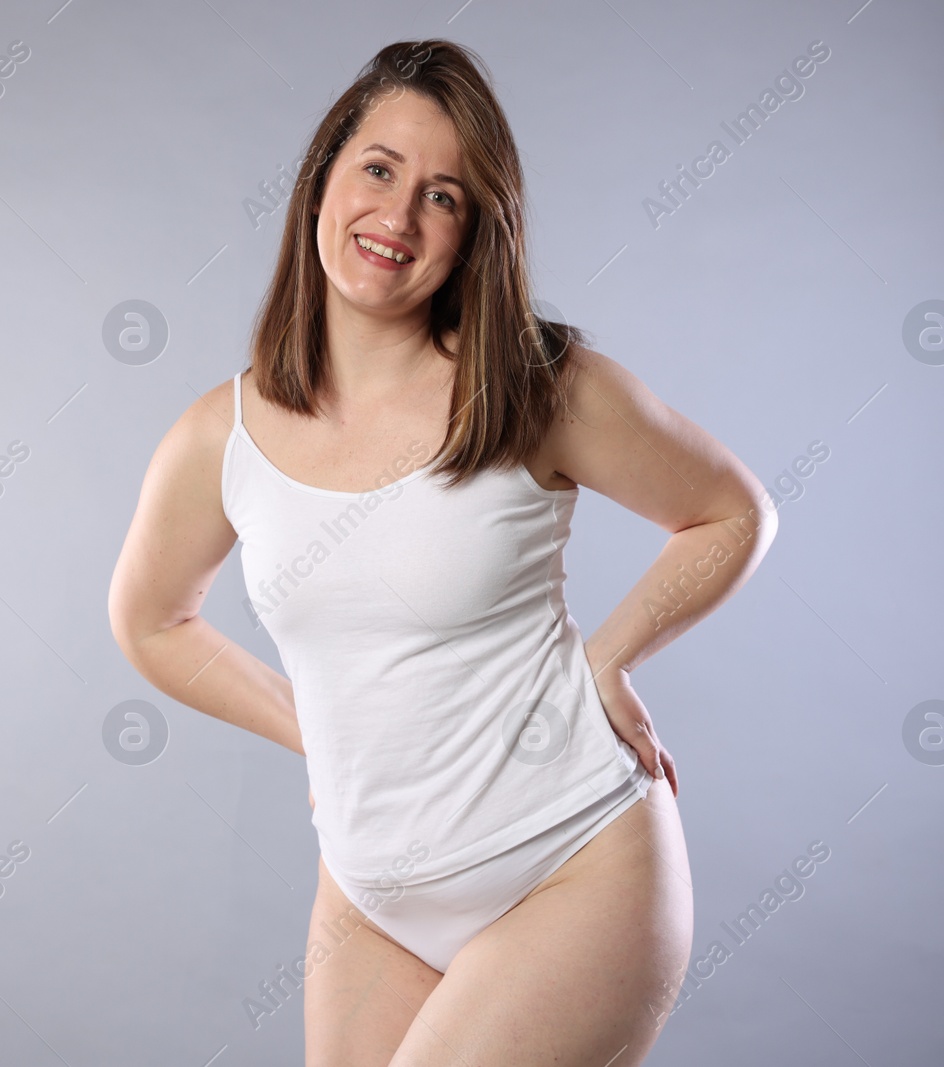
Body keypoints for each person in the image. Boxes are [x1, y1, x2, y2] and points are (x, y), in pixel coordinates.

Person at [108, 38, 778, 1066]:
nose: (398, 216)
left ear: (472, 235)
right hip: (371, 896)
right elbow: (149, 619)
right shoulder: (221, 434)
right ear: (323, 174)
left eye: (444, 197)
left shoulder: (532, 384)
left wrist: (609, 656)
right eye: (378, 168)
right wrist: (316, 738)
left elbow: (734, 512)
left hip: (572, 864)